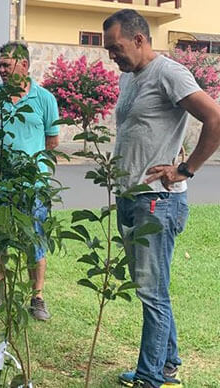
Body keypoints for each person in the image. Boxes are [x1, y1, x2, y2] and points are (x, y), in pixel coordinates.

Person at [103, 9, 220, 388]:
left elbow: (215, 118)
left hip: (157, 201)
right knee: (151, 288)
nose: (111, 56)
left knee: (152, 292)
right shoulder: (130, 78)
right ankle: (167, 365)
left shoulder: (168, 72)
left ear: (140, 39)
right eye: (107, 49)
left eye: (116, 48)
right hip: (132, 197)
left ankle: (150, 377)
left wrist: (186, 170)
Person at [0, 41, 60, 321]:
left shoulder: (45, 99)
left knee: (34, 240)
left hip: (32, 186)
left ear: (23, 65)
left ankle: (37, 297)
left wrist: (30, 166)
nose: (1, 69)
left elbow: (52, 140)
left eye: (6, 64)